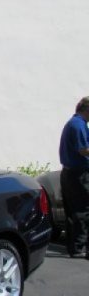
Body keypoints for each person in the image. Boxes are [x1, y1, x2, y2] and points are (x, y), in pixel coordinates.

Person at [59, 97, 89, 259]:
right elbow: (83, 149)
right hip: (78, 173)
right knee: (82, 210)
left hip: (69, 173)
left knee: (72, 210)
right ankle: (78, 248)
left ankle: (73, 246)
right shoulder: (78, 125)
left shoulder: (73, 123)